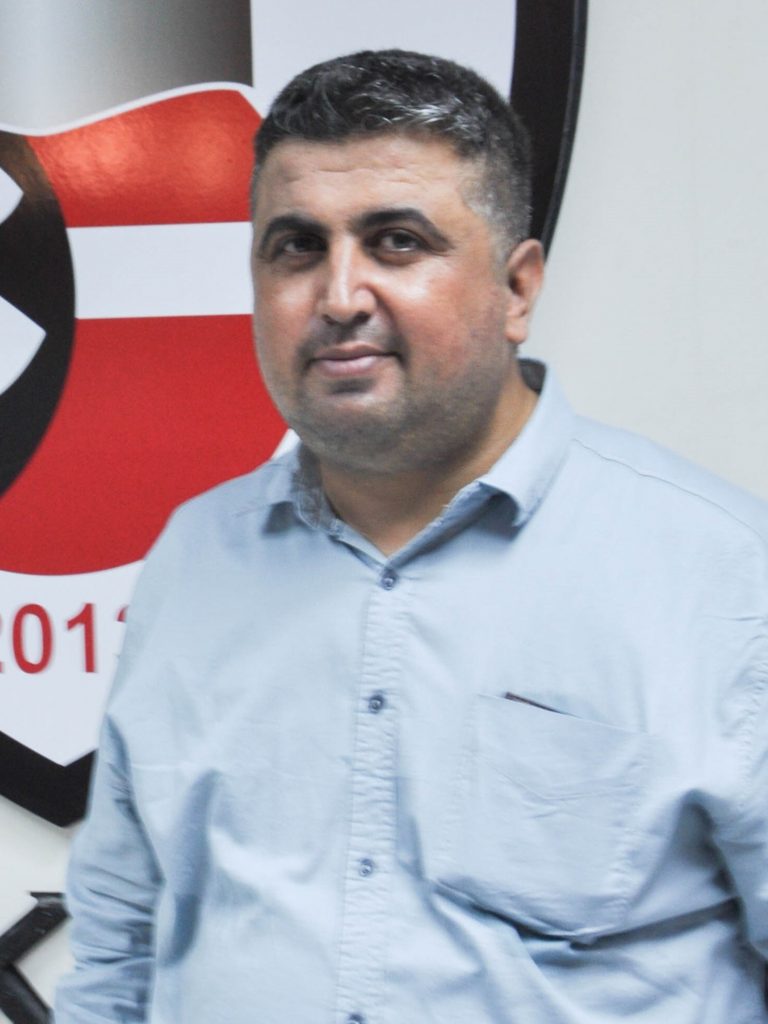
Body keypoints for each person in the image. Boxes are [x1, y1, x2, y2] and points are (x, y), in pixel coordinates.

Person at [55, 49, 768, 1023]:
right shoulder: (196, 557)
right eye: (297, 247)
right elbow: (118, 948)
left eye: (396, 242)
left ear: (518, 289)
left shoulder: (724, 579)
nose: (339, 296)